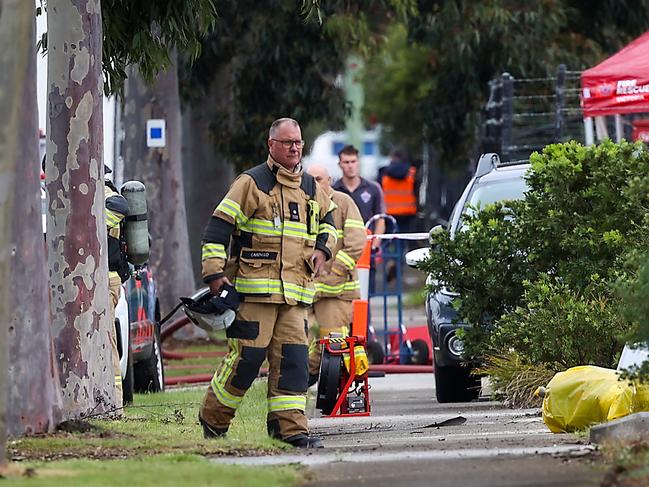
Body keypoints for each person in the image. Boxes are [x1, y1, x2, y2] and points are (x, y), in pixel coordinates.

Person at [198, 117, 337, 449]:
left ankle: (291, 432)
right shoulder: (251, 183)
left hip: (295, 296)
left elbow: (330, 222)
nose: (294, 148)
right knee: (245, 362)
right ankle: (213, 421)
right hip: (253, 294)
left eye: (299, 143)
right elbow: (217, 230)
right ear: (271, 145)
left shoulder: (310, 187)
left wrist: (323, 250)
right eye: (287, 142)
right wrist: (215, 276)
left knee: (293, 365)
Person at [306, 164, 366, 385]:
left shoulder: (343, 203)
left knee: (332, 344)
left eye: (319, 179)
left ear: (330, 180)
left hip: (335, 293)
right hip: (307, 291)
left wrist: (335, 273)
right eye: (310, 179)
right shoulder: (301, 205)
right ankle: (300, 385)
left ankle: (324, 385)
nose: (314, 184)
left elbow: (356, 242)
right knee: (297, 342)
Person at [104, 166, 131, 408]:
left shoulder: (101, 192)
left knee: (104, 339)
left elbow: (120, 207)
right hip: (89, 278)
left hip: (104, 279)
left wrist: (84, 224)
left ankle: (114, 404)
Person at [332, 145, 385, 243]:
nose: (350, 166)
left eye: (353, 161)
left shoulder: (373, 188)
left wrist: (375, 244)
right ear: (340, 164)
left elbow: (380, 219)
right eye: (346, 162)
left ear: (358, 162)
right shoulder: (333, 190)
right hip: (341, 245)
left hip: (367, 242)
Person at [379, 147, 418, 235]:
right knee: (405, 237)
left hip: (389, 211)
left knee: (390, 239)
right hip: (408, 212)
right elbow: (416, 191)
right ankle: (404, 249)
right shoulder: (412, 172)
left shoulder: (383, 172)